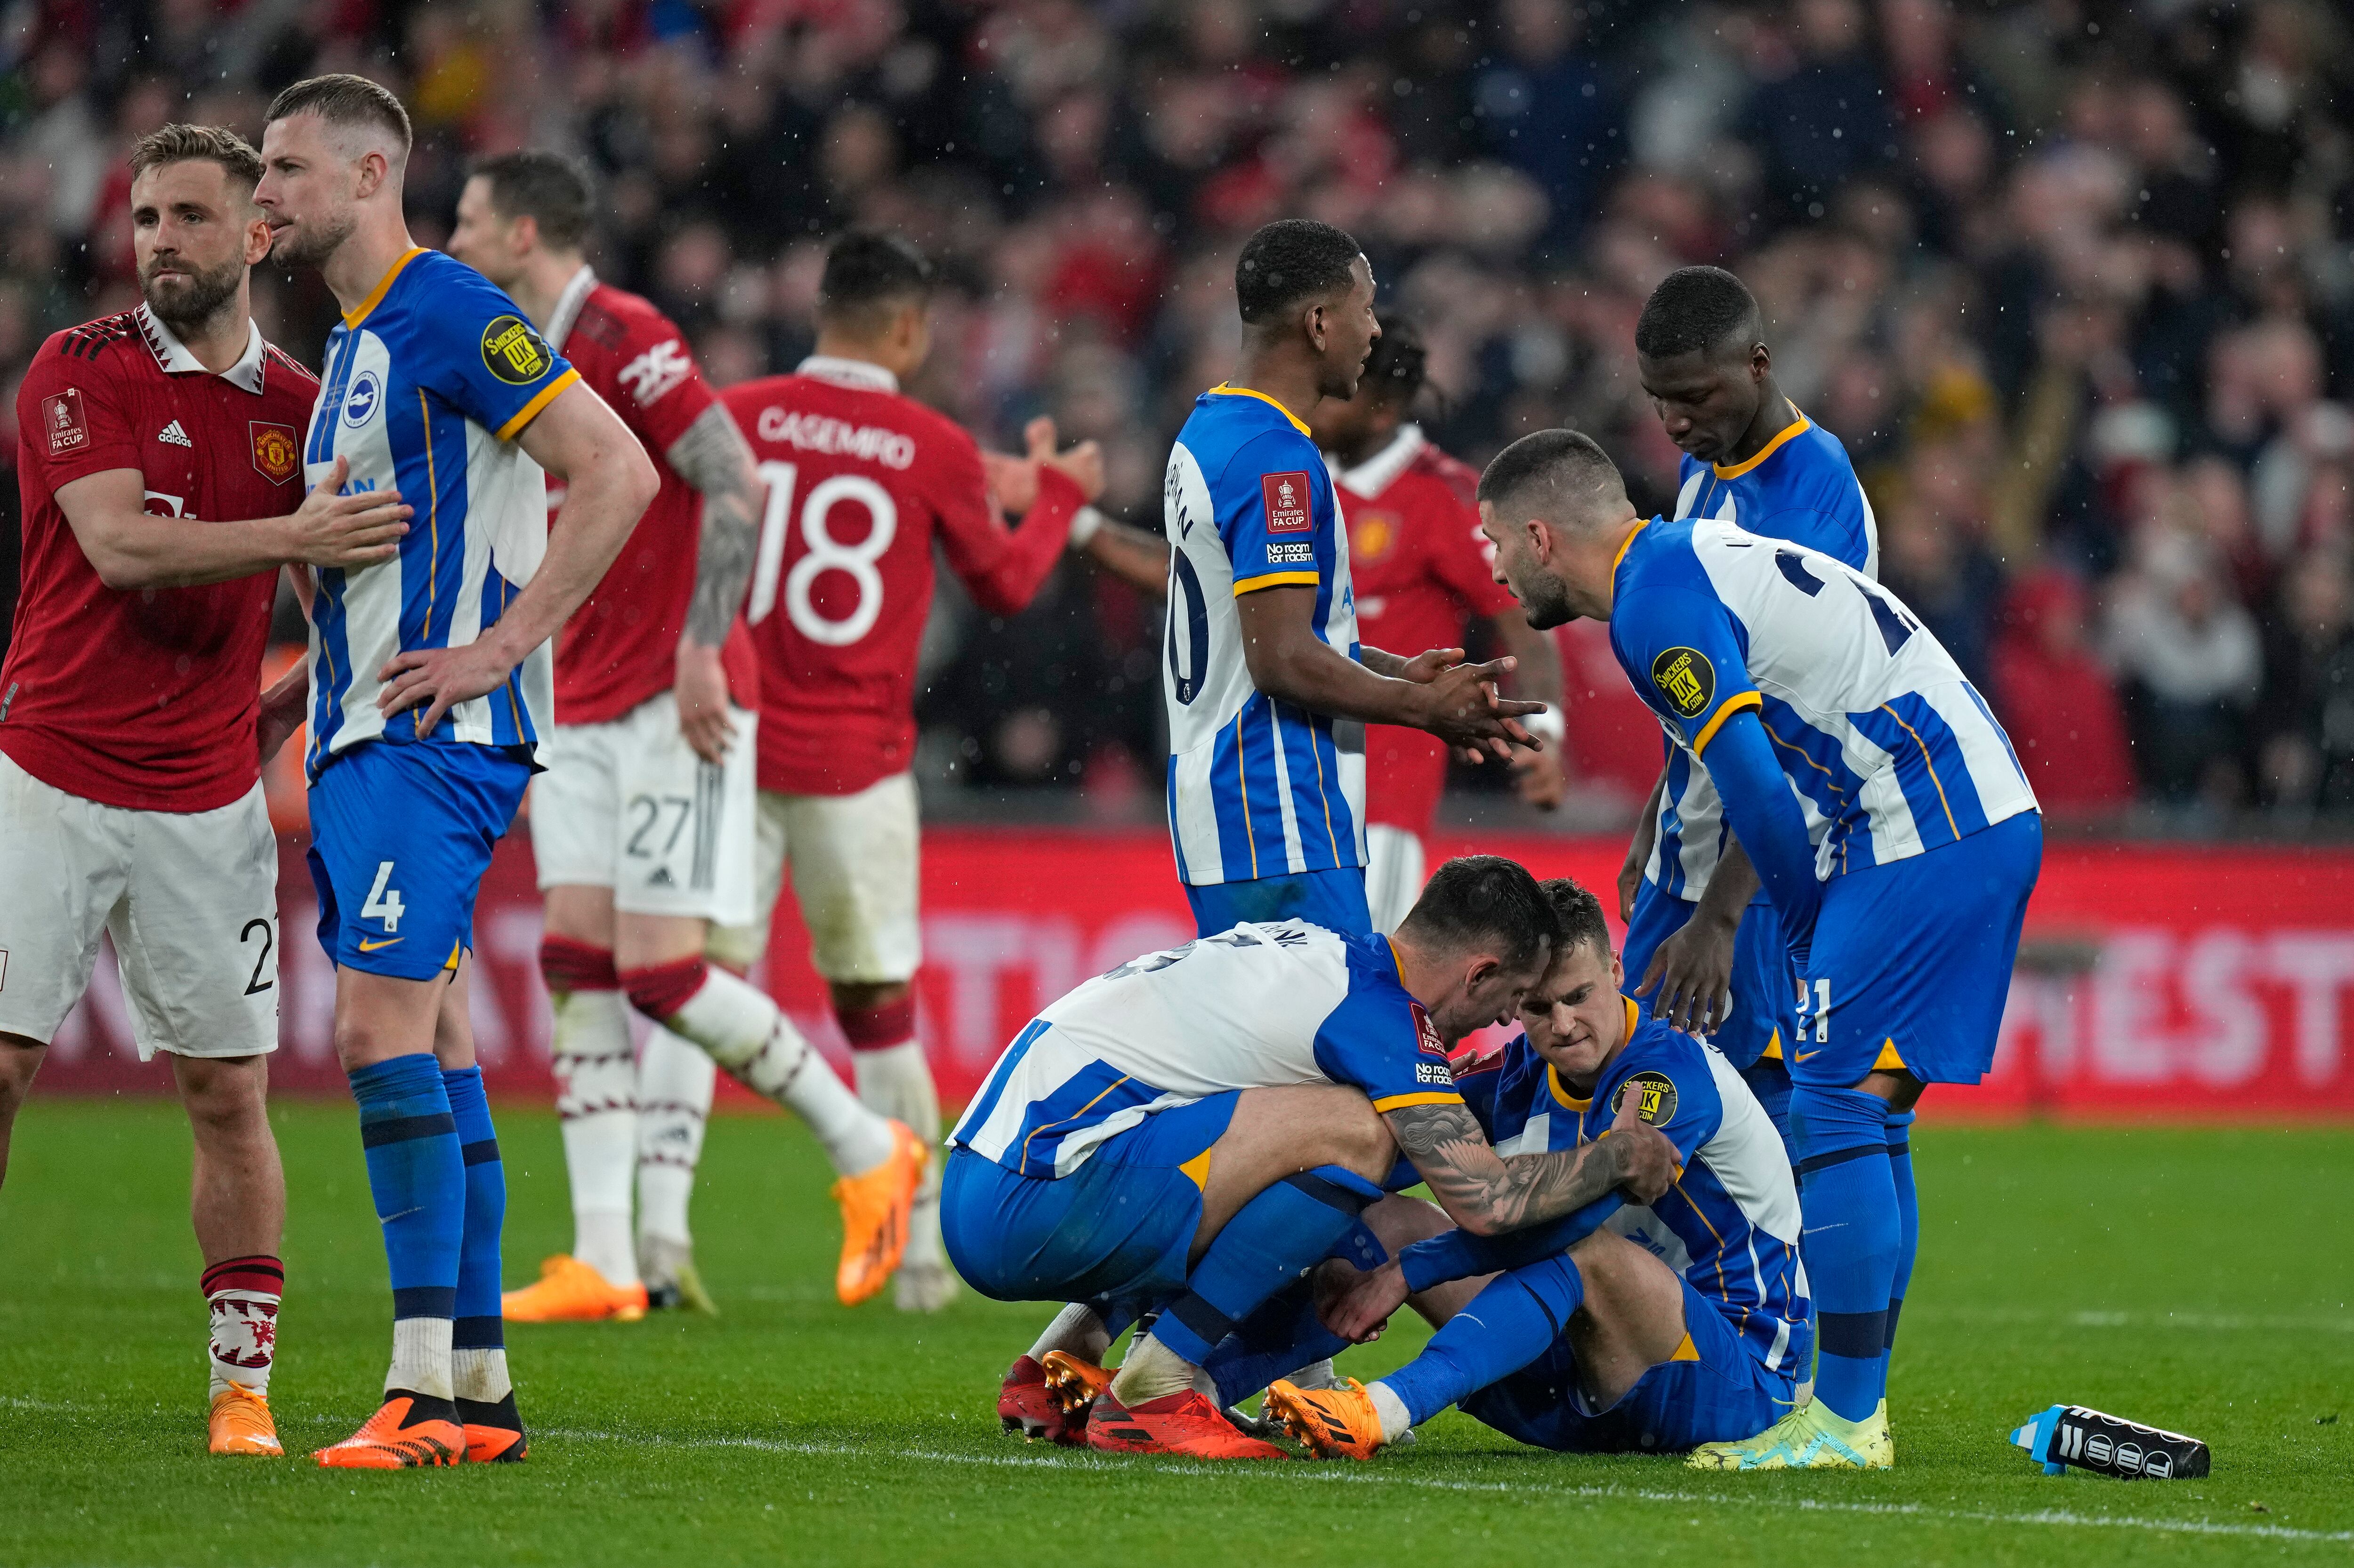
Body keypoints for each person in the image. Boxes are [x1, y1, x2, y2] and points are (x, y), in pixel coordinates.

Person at [1476, 428, 2041, 1470]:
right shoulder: (1678, 559)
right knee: (1865, 1107)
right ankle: (1849, 1403)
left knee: (1831, 1100)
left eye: (1496, 545)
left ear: (1542, 536)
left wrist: (1772, 920)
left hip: (1919, 816)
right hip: (1960, 802)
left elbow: (1755, 786)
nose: (1494, 568)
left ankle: (1843, 1420)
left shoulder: (1652, 608)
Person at [255, 74, 661, 1468]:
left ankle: (416, 1389)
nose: (267, 199)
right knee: (432, 1040)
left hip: (432, 742)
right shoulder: (363, 342)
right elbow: (388, 560)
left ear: (375, 176)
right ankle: (478, 1389)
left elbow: (615, 469)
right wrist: (298, 687)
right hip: (366, 727)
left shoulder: (442, 311)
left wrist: (503, 645)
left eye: (287, 171)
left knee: (372, 1033)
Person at [444, 152, 923, 1325]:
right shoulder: (503, 346)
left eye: (463, 222)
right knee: (576, 958)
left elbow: (732, 472)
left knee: (662, 970)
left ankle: (871, 1148)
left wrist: (707, 643)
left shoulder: (621, 328)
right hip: (579, 693)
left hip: (674, 695)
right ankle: (607, 1252)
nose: (450, 242)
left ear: (519, 232)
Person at [0, 123, 403, 1460]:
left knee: (229, 1094)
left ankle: (242, 1390)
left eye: (188, 216)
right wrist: (297, 535)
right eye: (147, 216)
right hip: (47, 775)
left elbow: (328, 601)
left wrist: (289, 695)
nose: (160, 240)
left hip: (203, 800)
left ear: (257, 235)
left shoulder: (306, 404)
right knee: (1, 1067)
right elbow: (117, 546)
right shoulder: (79, 368)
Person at [945, 855, 1683, 1460]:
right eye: (1514, 997)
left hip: (993, 1178)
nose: (1501, 1021)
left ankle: (1062, 1360)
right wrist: (1616, 1154)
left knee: (1353, 1143)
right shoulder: (1381, 1016)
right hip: (1036, 1200)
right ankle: (1155, 1385)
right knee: (1365, 1130)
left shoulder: (1322, 953)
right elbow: (1484, 1200)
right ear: (1479, 972)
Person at [714, 231, 1113, 1312]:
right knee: (878, 998)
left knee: (686, 981)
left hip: (731, 740)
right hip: (856, 758)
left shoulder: (734, 416)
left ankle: (646, 1245)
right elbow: (1009, 583)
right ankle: (925, 1250)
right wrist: (1063, 498)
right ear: (906, 327)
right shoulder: (925, 440)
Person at [1267, 877, 1809, 1459]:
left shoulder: (1666, 1077)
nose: (1563, 1025)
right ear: (1515, 1001)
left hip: (1735, 1383)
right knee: (1366, 1209)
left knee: (1579, 1243)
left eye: (1578, 997)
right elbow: (1381, 1151)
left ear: (1616, 970)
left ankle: (1382, 1409)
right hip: (1580, 1381)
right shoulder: (1519, 1072)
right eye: (1538, 1007)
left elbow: (1566, 1229)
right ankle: (1196, 1385)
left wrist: (1407, 1272)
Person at [1163, 218, 1545, 940]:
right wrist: (1417, 706)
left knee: (1291, 1046)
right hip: (1276, 808)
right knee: (1359, 1038)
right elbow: (1279, 659)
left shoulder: (1209, 429)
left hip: (1232, 804)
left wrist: (1402, 670)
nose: (1374, 332)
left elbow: (1279, 628)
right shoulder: (1275, 459)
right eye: (1364, 309)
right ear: (1317, 323)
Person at [1620, 266, 1880, 1142]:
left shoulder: (1812, 500)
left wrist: (1723, 915)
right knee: (1641, 1108)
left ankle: (1775, 1284)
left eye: (1693, 397)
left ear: (1760, 363)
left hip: (1756, 878)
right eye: (1659, 399)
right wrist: (1655, 820)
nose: (1674, 422)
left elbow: (1794, 732)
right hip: (1688, 858)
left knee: (1737, 1124)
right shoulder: (1709, 472)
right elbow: (1700, 686)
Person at [1308, 315, 1567, 931]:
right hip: (1283, 788)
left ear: (1378, 411)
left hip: (1380, 800)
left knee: (1363, 982)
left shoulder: (1446, 496)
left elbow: (1526, 627)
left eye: (1334, 391)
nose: (1316, 401)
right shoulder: (1294, 480)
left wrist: (1547, 734)